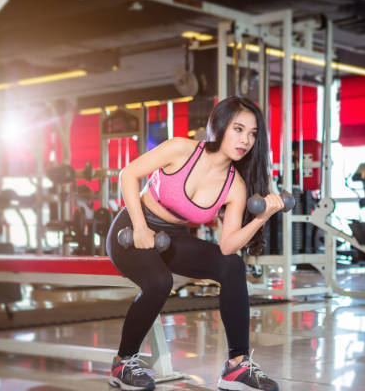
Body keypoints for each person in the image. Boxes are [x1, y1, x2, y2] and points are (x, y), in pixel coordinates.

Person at [106, 96, 282, 391]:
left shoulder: (235, 185)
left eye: (252, 134)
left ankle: (236, 368)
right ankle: (123, 362)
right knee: (160, 281)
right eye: (238, 129)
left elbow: (228, 246)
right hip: (132, 226)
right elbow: (128, 174)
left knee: (232, 265)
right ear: (220, 125)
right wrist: (139, 226)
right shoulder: (181, 149)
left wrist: (262, 217)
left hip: (171, 238)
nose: (246, 140)